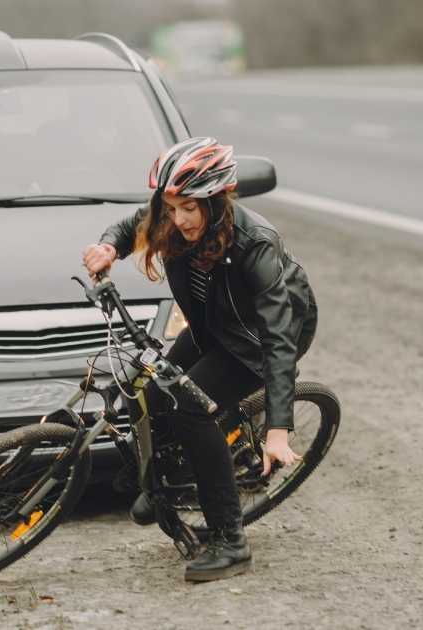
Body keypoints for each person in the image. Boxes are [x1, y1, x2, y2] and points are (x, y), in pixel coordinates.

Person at [81, 137, 318, 582]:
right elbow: (133, 223)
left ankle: (231, 542)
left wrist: (278, 429)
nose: (179, 219)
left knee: (191, 409)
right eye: (171, 207)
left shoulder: (256, 244)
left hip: (256, 342)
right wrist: (109, 247)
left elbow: (279, 339)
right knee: (149, 392)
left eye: (190, 207)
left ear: (217, 199)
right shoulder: (170, 221)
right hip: (212, 324)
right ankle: (165, 481)